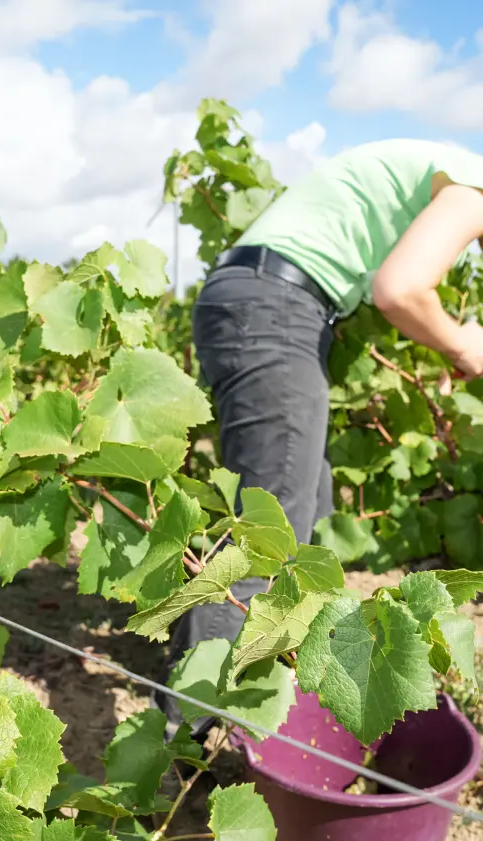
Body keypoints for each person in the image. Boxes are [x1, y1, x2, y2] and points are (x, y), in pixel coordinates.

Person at [153, 137, 483, 742]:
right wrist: (464, 343)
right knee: (267, 545)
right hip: (276, 308)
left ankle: (244, 701)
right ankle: (191, 745)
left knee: (302, 514)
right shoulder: (472, 187)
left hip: (262, 303)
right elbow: (400, 289)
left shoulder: (435, 171)